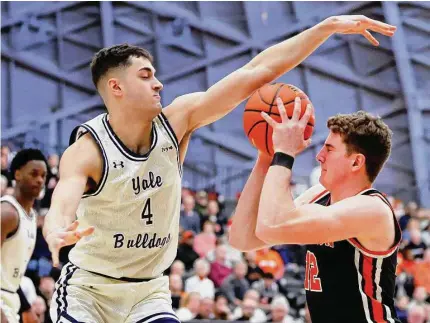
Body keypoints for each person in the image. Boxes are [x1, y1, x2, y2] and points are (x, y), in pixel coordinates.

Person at [43, 15, 396, 323]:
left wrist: (325, 28)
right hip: (90, 286)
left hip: (147, 291)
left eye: (155, 75)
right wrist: (56, 229)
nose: (158, 83)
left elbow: (256, 72)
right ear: (116, 86)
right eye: (146, 76)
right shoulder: (89, 149)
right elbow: (61, 201)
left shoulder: (178, 121)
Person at [230, 97, 402, 322]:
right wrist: (266, 156)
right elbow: (243, 238)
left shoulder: (372, 209)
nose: (319, 156)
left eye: (329, 149)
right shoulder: (318, 195)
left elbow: (273, 225)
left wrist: (284, 154)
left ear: (356, 163)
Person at [1, 149, 48, 323]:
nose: (40, 180)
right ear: (18, 174)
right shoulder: (7, 213)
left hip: (11, 298)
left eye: (43, 175)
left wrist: (26, 308)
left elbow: (12, 273)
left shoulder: (30, 216)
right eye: (34, 174)